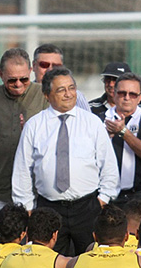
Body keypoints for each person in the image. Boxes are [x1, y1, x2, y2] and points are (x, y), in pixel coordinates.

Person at [12, 67, 119, 255]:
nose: (68, 94)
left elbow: (108, 166)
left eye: (72, 88)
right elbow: (22, 171)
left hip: (88, 208)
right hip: (48, 208)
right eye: (61, 90)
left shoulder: (92, 123)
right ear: (47, 95)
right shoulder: (34, 126)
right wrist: (28, 209)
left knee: (89, 264)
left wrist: (102, 200)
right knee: (49, 267)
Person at [0, 48, 47, 243]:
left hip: (35, 191)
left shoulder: (44, 95)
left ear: (30, 70)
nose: (18, 84)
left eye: (23, 79)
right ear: (0, 75)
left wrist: (32, 135)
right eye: (12, 80)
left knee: (33, 251)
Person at [104, 72, 141, 206]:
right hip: (105, 194)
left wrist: (123, 132)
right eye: (122, 93)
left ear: (140, 98)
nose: (127, 98)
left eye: (132, 94)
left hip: (136, 194)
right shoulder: (100, 119)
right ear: (114, 95)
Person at [31, 43, 91, 111]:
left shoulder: (75, 96)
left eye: (56, 66)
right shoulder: (27, 94)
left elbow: (88, 119)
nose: (50, 69)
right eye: (44, 65)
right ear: (34, 66)